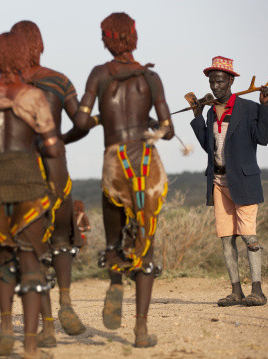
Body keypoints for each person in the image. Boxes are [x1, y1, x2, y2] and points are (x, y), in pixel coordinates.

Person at [73, 13, 174, 347]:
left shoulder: (99, 74)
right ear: (132, 37)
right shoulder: (151, 77)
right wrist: (148, 125)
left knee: (112, 206)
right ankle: (141, 331)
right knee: (146, 237)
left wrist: (97, 120)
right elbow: (168, 130)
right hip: (146, 159)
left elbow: (81, 121)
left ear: (107, 39)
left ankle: (116, 275)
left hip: (116, 158)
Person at [0, 32, 61, 358]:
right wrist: (57, 190)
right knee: (31, 263)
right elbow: (51, 149)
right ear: (22, 58)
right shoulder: (33, 98)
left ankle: (6, 330)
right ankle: (31, 347)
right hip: (27, 180)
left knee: (5, 257)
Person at [10, 20, 87, 345]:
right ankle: (67, 300)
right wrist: (62, 139)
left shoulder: (8, 86)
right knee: (60, 238)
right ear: (40, 44)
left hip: (24, 172)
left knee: (31, 247)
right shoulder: (59, 80)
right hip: (57, 169)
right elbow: (82, 122)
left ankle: (49, 326)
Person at [190, 56, 268, 307]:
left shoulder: (248, 108)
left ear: (231, 81)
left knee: (249, 236)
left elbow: (263, 137)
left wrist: (265, 107)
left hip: (245, 182)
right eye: (212, 82)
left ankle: (257, 291)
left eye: (220, 81)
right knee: (226, 238)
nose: (215, 86)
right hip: (218, 182)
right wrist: (197, 115)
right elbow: (208, 146)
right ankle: (235, 291)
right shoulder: (211, 112)